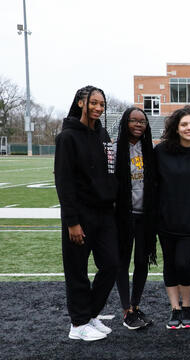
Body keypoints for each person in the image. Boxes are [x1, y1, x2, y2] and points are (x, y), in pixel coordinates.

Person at [55, 85, 118, 341]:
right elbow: (64, 181)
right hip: (79, 215)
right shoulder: (67, 137)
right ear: (81, 103)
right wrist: (72, 222)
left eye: (101, 104)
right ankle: (78, 324)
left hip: (104, 213)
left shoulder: (103, 134)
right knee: (77, 270)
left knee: (112, 265)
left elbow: (110, 171)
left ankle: (89, 314)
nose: (98, 108)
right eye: (94, 103)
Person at [155, 105, 190, 330]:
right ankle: (175, 309)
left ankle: (186, 306)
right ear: (176, 128)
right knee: (170, 264)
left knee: (183, 262)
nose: (189, 128)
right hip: (166, 219)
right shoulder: (161, 152)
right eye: (184, 124)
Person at [114, 107, 157, 330]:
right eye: (134, 120)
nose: (139, 125)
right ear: (125, 122)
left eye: (143, 121)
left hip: (145, 216)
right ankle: (125, 310)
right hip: (123, 216)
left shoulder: (149, 150)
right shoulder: (114, 149)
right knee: (122, 262)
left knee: (141, 261)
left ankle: (135, 305)